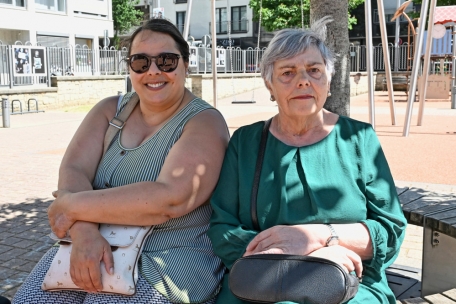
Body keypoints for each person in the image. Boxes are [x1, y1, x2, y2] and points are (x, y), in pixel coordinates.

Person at [13, 18, 229, 304]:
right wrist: (84, 232)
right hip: (91, 244)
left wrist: (71, 206)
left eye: (166, 61)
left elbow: (169, 200)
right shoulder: (109, 110)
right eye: (141, 62)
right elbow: (74, 170)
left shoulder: (204, 122)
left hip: (165, 259)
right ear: (129, 67)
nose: (153, 71)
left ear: (186, 65)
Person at [208, 17, 407, 304]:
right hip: (261, 279)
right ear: (269, 85)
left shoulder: (359, 139)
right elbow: (222, 227)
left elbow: (390, 231)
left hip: (347, 280)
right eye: (287, 72)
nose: (303, 80)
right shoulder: (245, 142)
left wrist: (319, 239)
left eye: (314, 70)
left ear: (328, 80)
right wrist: (299, 259)